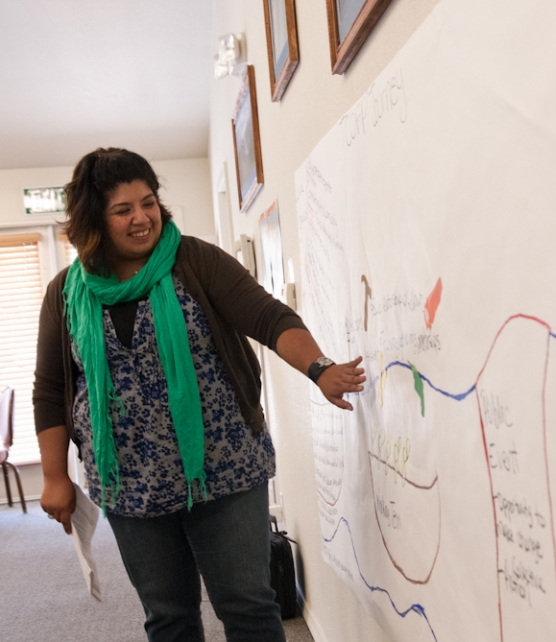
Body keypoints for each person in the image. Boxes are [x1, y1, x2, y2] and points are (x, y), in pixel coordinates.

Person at [33, 147, 364, 642]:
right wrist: (55, 476)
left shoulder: (194, 260)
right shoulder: (66, 292)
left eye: (148, 202)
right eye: (123, 210)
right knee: (168, 617)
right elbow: (52, 388)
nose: (142, 218)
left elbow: (269, 317)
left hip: (223, 467)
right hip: (128, 483)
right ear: (93, 220)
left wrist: (319, 367)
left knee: (247, 605)